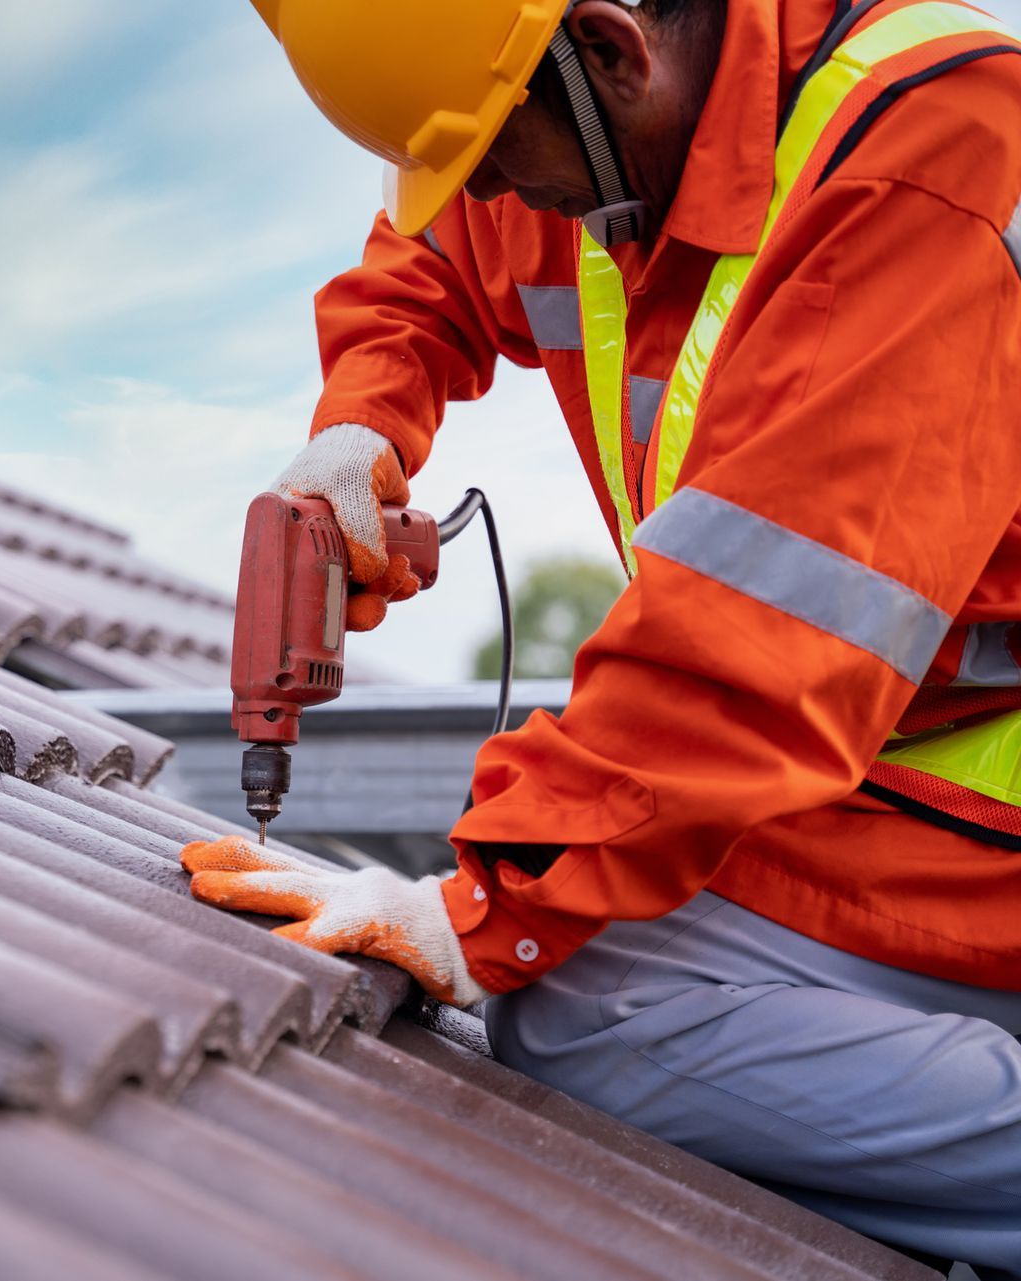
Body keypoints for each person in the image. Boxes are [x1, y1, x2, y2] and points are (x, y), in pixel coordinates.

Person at [180, 0, 1021, 1271]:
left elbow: (759, 638)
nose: (507, 200)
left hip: (956, 810)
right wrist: (362, 423)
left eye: (506, 160)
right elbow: (436, 257)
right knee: (580, 1000)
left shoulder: (929, 151)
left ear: (613, 52)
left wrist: (485, 906)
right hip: (888, 791)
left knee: (561, 992)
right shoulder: (608, 123)